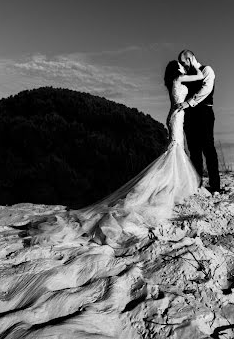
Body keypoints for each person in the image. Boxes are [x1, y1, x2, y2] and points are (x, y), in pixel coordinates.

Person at [27, 60, 202, 248]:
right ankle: (169, 188)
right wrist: (195, 63)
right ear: (177, 69)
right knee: (174, 150)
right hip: (177, 116)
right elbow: (200, 76)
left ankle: (171, 187)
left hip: (177, 115)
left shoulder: (175, 80)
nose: (184, 67)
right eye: (182, 65)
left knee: (175, 151)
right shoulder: (178, 77)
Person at [176, 49, 220, 192]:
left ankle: (215, 185)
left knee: (208, 148)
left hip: (204, 113)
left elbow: (205, 89)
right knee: (194, 150)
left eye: (183, 62)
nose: (183, 66)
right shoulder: (186, 75)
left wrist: (188, 103)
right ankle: (197, 183)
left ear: (190, 59)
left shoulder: (207, 70)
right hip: (190, 115)